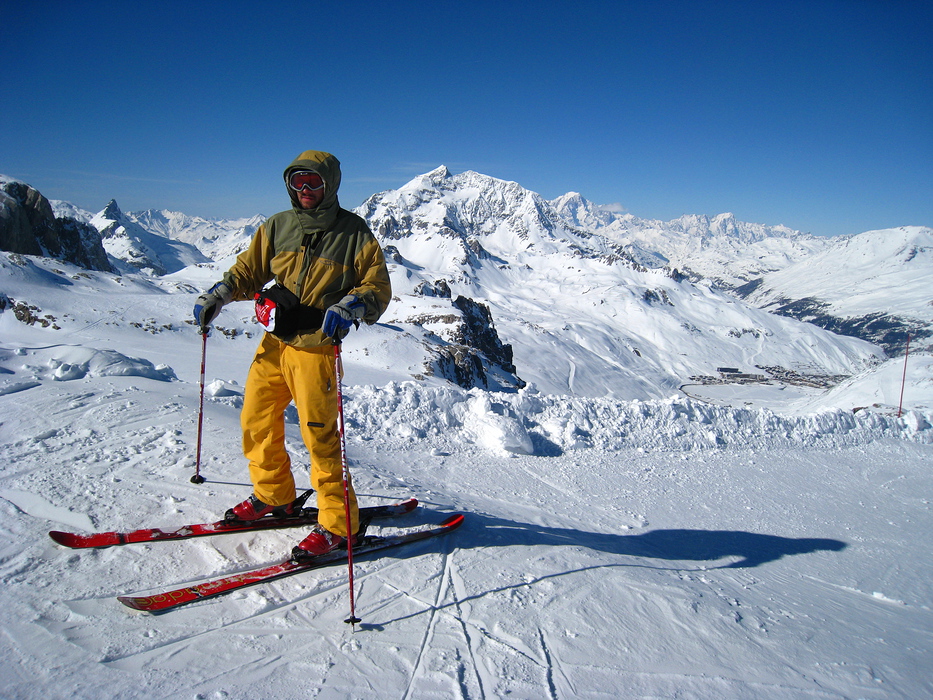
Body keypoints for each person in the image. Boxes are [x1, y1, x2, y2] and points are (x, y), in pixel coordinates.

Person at [193, 150, 391, 556]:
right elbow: (248, 271)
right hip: (274, 343)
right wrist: (221, 293)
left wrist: (352, 305)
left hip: (316, 350)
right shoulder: (278, 226)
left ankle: (339, 525)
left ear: (329, 185)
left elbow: (377, 286)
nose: (304, 190)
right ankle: (274, 495)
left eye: (313, 182)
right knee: (256, 419)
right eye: (297, 182)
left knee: (321, 440)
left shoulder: (354, 233)